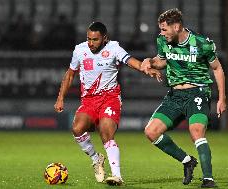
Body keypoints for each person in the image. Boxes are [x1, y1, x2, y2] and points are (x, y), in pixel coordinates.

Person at [54, 21, 161, 186]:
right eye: (89, 39)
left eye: (95, 40)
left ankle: (117, 175)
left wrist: (144, 68)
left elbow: (131, 61)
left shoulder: (114, 48)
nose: (91, 43)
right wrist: (61, 98)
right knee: (77, 129)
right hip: (89, 100)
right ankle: (96, 159)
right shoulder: (80, 50)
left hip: (110, 98)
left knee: (106, 132)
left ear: (105, 38)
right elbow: (70, 75)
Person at [141, 8, 226, 188]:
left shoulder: (202, 43)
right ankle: (187, 161)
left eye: (164, 29)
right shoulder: (163, 41)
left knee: (196, 132)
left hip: (198, 93)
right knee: (151, 131)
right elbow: (162, 60)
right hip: (174, 95)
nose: (161, 33)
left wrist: (222, 98)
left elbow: (217, 68)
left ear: (177, 26)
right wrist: (149, 61)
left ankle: (208, 179)